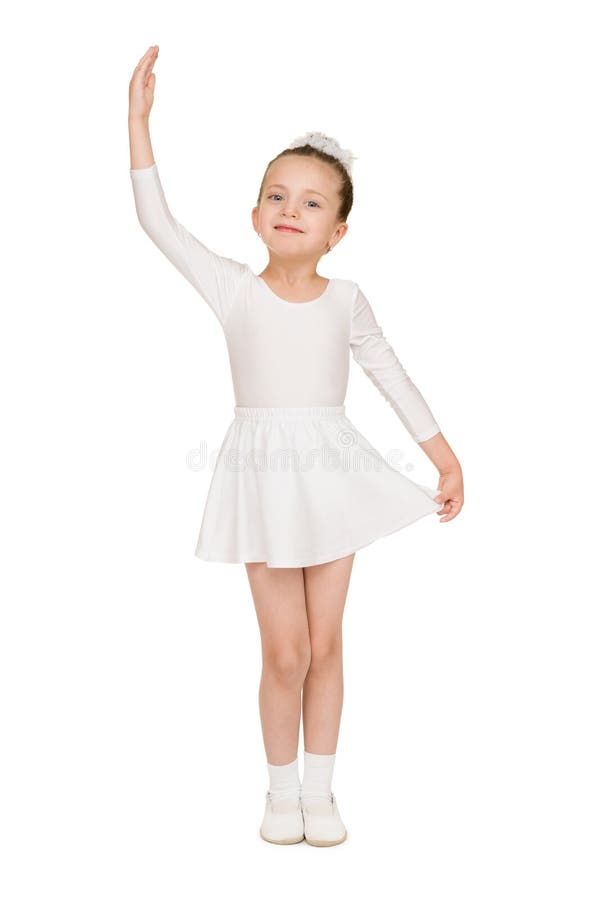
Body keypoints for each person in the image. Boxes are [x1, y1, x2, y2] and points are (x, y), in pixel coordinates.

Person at [128, 45, 464, 848]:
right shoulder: (232, 288)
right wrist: (138, 123)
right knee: (285, 650)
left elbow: (392, 375)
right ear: (254, 216)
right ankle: (279, 794)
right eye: (276, 194)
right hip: (266, 476)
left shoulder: (346, 299)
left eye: (311, 202)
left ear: (337, 230)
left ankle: (323, 790)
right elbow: (156, 222)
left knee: (326, 643)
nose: (290, 208)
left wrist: (445, 458)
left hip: (334, 475)